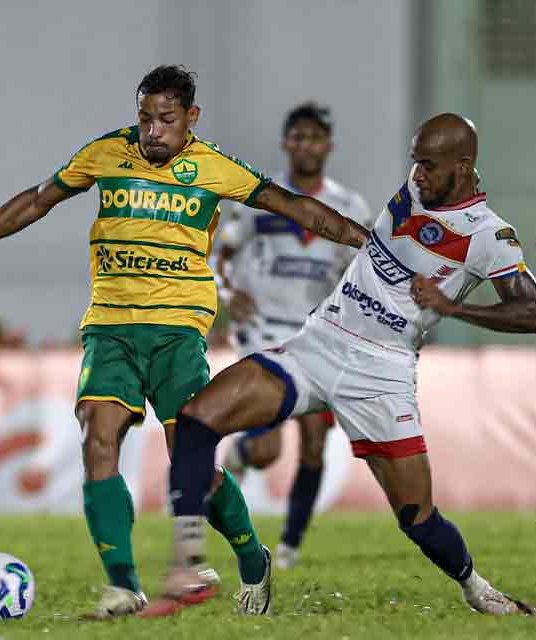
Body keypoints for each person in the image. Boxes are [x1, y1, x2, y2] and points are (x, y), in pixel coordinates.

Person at [0, 65, 367, 618]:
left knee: (193, 462)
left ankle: (252, 556)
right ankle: (124, 586)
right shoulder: (106, 152)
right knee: (98, 436)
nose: (153, 131)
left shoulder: (214, 167)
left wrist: (364, 241)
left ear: (191, 118)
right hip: (110, 326)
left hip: (177, 330)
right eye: (145, 118)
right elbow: (37, 200)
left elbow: (291, 204)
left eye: (166, 120)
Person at [144, 113, 536, 617]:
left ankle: (477, 589)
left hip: (382, 371)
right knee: (196, 421)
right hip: (320, 342)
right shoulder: (418, 189)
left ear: (462, 167)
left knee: (416, 517)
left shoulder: (490, 237)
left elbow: (532, 313)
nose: (416, 175)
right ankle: (192, 567)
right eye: (414, 162)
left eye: (427, 165)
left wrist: (452, 307)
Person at [216, 102, 374, 570]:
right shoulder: (260, 195)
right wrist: (227, 291)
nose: (306, 145)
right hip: (261, 329)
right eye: (297, 137)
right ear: (286, 143)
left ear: (329, 145)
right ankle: (239, 460)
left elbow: (362, 273)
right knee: (267, 448)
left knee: (313, 443)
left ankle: (287, 548)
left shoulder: (349, 207)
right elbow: (222, 253)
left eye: (314, 137)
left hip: (315, 333)